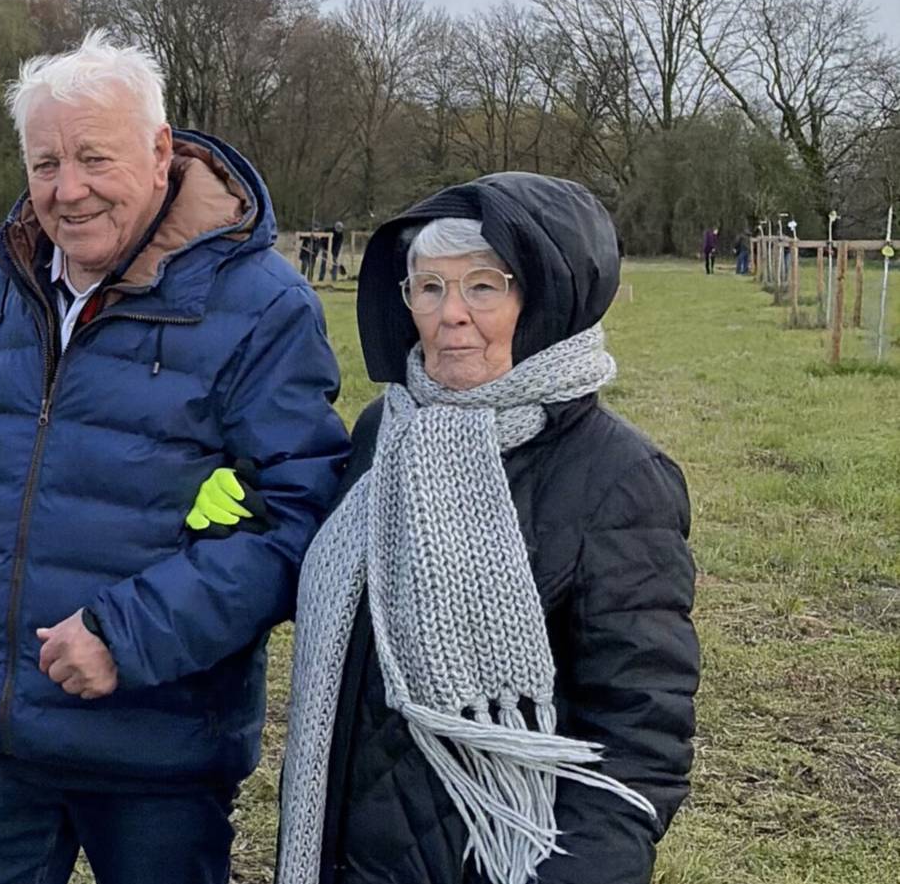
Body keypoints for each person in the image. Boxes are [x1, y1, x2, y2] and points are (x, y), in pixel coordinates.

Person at [0, 31, 350, 884]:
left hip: (158, 746)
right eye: (45, 164)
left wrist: (127, 634)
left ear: (160, 153)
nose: (68, 189)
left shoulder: (261, 307)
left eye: (94, 158)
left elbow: (296, 517)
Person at [276, 173, 699, 884]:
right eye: (428, 287)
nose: (450, 315)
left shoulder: (619, 476)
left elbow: (638, 739)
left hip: (502, 862)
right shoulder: (387, 430)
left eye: (482, 286)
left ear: (546, 300)